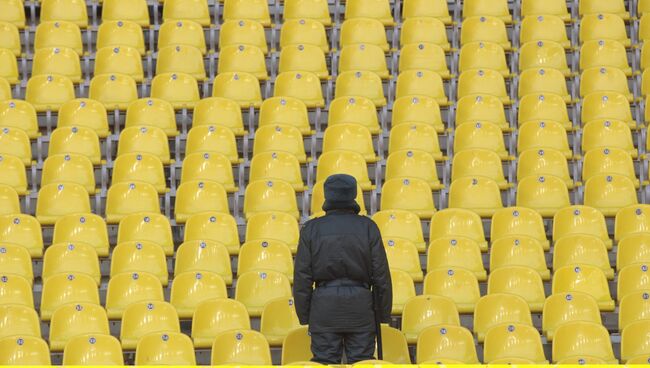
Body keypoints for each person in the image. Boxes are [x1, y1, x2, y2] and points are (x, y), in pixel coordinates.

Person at [293, 174, 392, 364]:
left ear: (327, 195)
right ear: (353, 194)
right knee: (363, 363)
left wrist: (306, 315)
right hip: (361, 309)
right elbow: (381, 276)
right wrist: (382, 314)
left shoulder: (311, 229)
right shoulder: (368, 227)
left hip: (324, 310)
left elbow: (302, 277)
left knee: (324, 363)